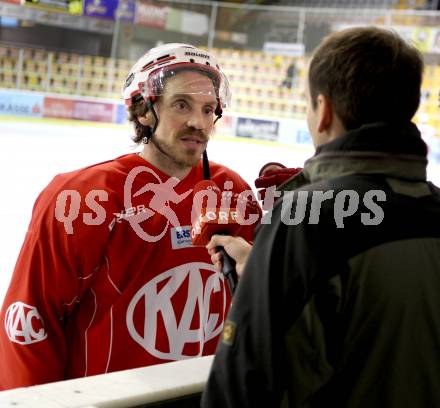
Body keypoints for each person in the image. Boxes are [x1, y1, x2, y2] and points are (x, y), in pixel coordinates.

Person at [202, 27, 440, 407]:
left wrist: (270, 271)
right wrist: (264, 265)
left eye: (308, 106)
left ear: (324, 110)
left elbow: (244, 384)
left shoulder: (307, 217)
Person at [0, 43, 260, 390]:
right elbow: (30, 322)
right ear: (143, 111)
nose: (198, 122)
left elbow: (263, 307)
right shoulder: (83, 198)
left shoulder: (231, 191)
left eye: (208, 109)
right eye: (182, 105)